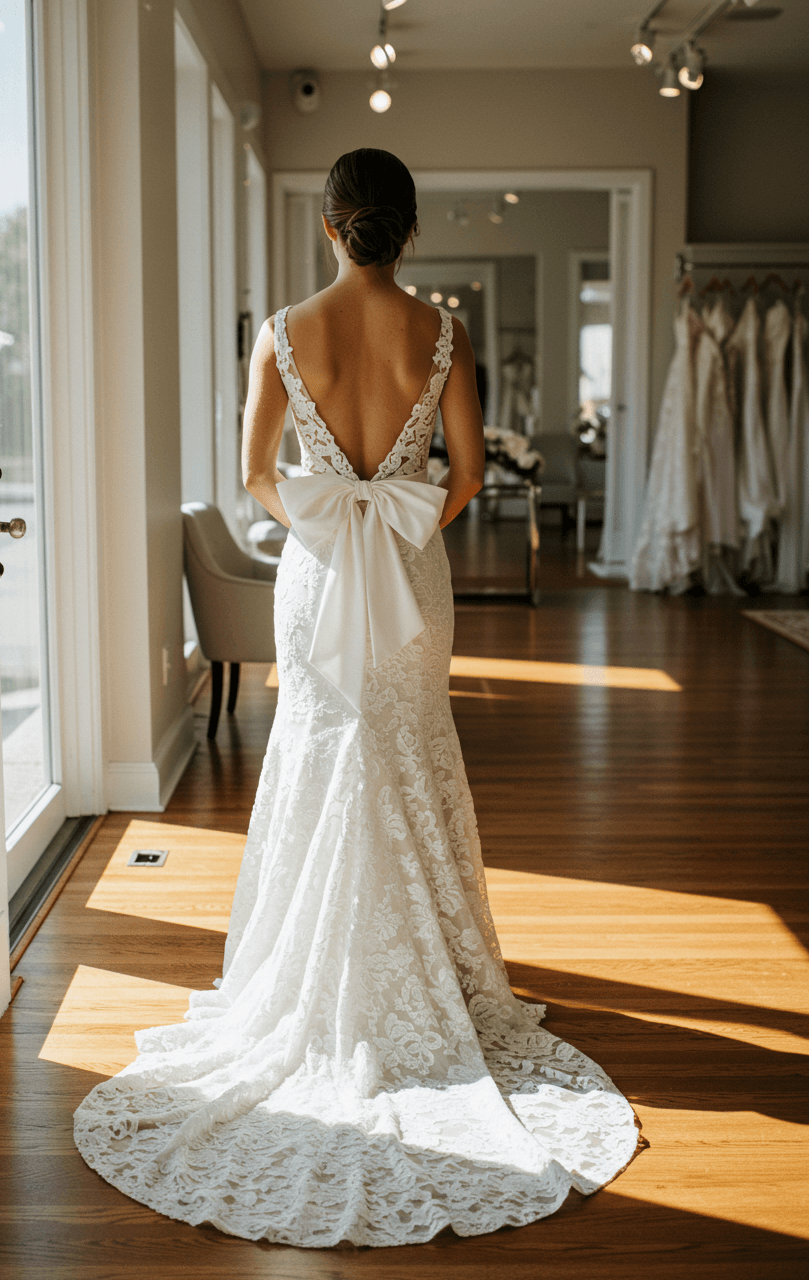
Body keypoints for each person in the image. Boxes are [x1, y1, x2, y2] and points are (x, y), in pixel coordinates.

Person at [74, 148, 640, 1247]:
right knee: (412, 748)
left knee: (321, 753)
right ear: (407, 229)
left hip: (321, 572)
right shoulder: (444, 332)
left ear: (331, 226)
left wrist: (336, 529)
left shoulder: (283, 330)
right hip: (411, 578)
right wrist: (395, 531)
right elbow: (465, 474)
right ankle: (429, 976)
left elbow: (252, 474)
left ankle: (304, 984)